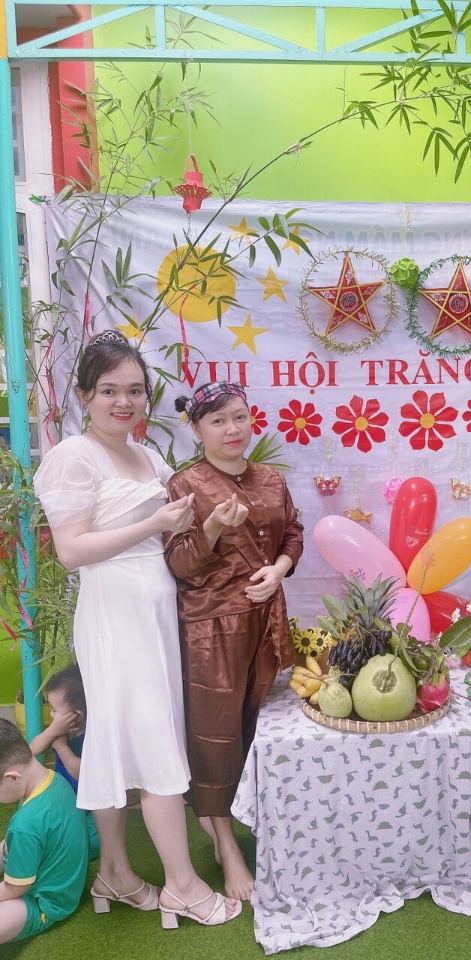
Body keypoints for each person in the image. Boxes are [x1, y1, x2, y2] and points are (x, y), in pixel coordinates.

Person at [33, 330, 241, 929]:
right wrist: (154, 522)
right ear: (84, 395)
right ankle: (182, 885)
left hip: (156, 614)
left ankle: (117, 875)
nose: (123, 402)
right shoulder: (73, 457)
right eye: (108, 390)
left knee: (120, 741)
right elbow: (72, 551)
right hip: (114, 615)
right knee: (149, 740)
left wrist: (211, 524)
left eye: (134, 390)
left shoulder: (148, 456)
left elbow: (177, 535)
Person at [164, 381, 303, 901]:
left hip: (266, 623)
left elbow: (293, 532)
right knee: (216, 739)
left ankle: (263, 822)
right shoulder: (185, 485)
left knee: (261, 728)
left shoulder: (270, 478)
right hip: (212, 631)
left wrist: (279, 569)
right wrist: (212, 529)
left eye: (239, 417)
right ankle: (225, 845)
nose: (232, 429)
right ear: (197, 429)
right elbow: (179, 563)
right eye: (218, 421)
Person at [0, 718, 89, 944]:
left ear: (12, 777)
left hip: (45, 902)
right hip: (53, 869)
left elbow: (16, 888)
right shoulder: (52, 779)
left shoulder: (25, 825)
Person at [28, 665, 100, 859]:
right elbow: (33, 749)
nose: (51, 714)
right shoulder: (61, 729)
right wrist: (52, 732)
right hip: (62, 800)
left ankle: (56, 846)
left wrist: (61, 748)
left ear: (77, 715)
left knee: (96, 841)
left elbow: (82, 774)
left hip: (91, 807)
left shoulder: (94, 737)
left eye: (54, 710)